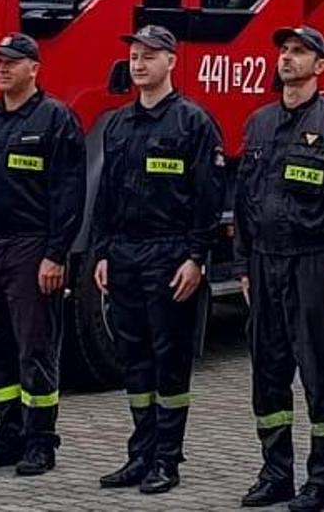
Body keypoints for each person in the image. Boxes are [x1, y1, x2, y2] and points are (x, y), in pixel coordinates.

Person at [236, 26, 324, 512]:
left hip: (313, 266)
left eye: (300, 52)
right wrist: (242, 265)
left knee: (318, 375)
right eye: (284, 51)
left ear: (321, 66)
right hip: (263, 265)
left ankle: (321, 480)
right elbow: (244, 199)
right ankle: (275, 473)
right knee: (268, 377)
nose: (287, 58)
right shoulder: (258, 123)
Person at [90, 25, 224, 496]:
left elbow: (208, 198)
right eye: (133, 55)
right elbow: (105, 195)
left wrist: (197, 257)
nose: (139, 63)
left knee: (169, 359)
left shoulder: (192, 123)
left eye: (149, 55)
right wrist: (102, 252)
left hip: (169, 254)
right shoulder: (118, 125)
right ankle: (140, 452)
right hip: (124, 253)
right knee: (134, 358)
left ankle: (167, 458)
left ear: (172, 61)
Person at [0, 33, 86, 477]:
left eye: (12, 62)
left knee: (35, 347)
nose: (2, 68)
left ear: (35, 68)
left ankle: (40, 441)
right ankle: (8, 431)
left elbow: (69, 193)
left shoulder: (55, 119)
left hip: (32, 247)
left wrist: (56, 254)